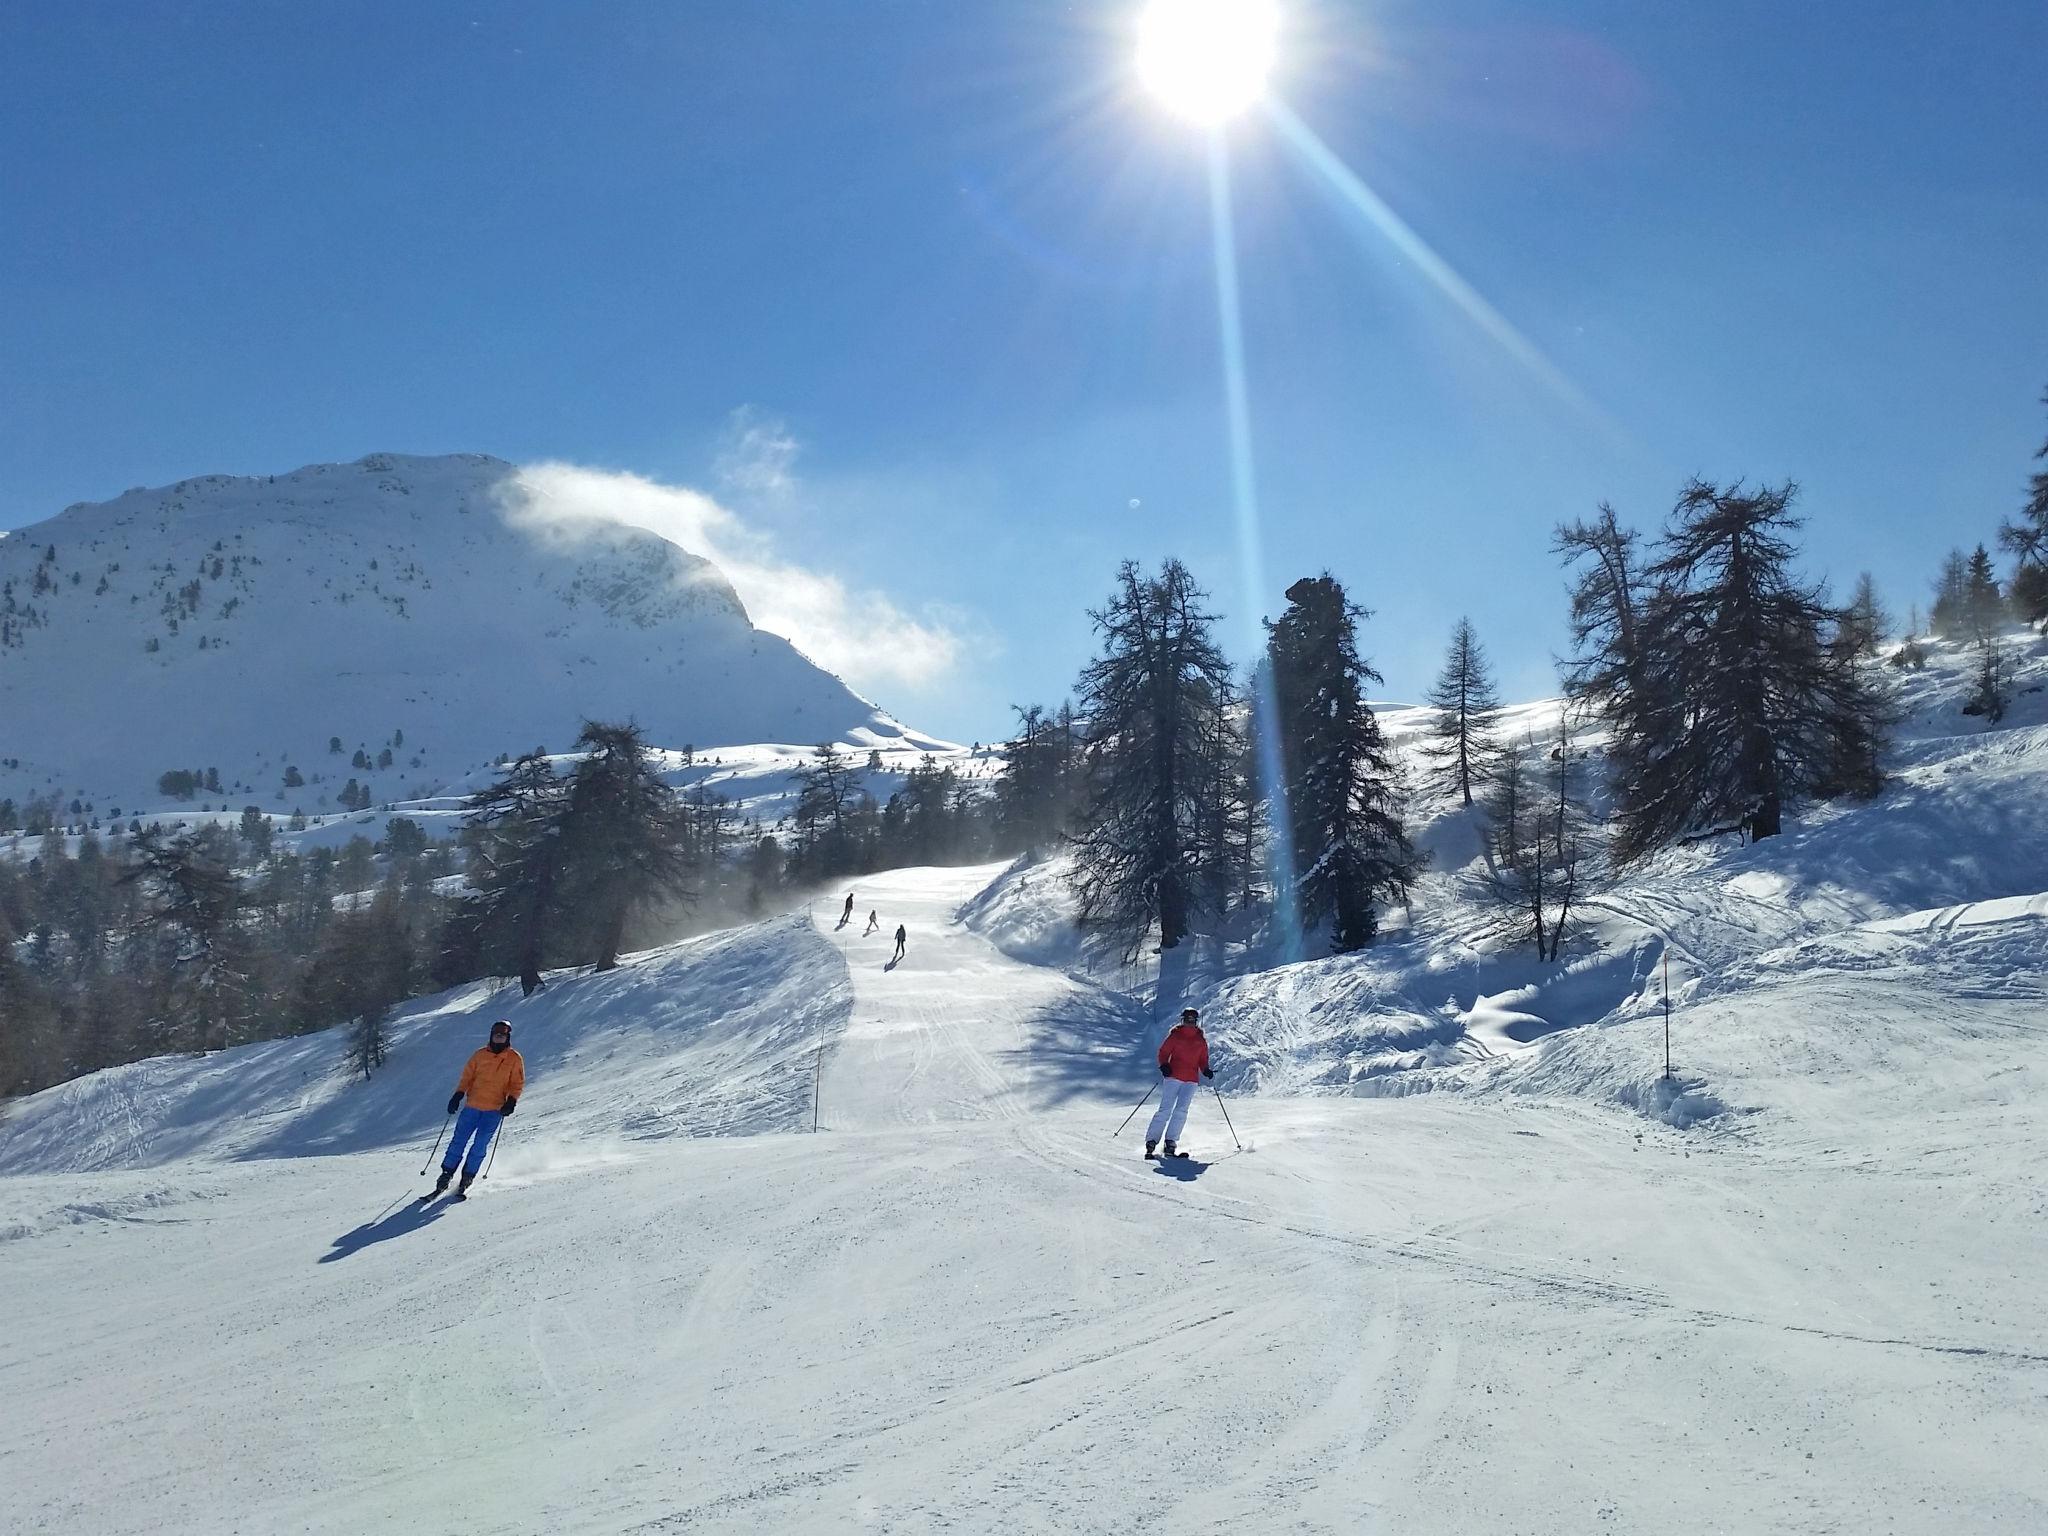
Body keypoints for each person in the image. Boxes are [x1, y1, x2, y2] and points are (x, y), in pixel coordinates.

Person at [433, 1019, 525, 1199]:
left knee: (480, 1144)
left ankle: (468, 1176)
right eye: (496, 1035)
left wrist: (511, 1101)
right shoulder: (479, 1055)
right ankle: (446, 1173)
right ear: (491, 1036)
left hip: (494, 1110)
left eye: (502, 1036)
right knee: (458, 1141)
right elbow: (467, 1077)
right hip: (472, 1107)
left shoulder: (514, 1058)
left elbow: (517, 1083)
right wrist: (458, 1094)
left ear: (507, 1038)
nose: (499, 1038)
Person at [1145, 1007, 1213, 1160]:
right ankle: (1152, 1140)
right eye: (1187, 1019)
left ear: (1196, 1021)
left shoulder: (1200, 1040)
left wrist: (1206, 1070)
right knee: (1165, 1109)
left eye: (1192, 1020)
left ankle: (1171, 1142)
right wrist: (1164, 1065)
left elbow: (1203, 1060)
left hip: (1191, 1080)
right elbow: (1163, 1052)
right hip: (1173, 1076)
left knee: (1181, 1110)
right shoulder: (1175, 1036)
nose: (1189, 1022)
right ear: (1182, 1020)